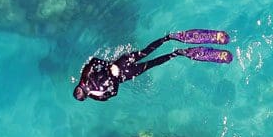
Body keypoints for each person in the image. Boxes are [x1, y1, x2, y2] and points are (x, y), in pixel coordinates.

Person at [73, 29, 233, 101]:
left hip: (119, 64)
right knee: (151, 63)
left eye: (83, 86)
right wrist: (114, 78)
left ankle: (168, 38)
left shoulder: (85, 75)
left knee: (144, 53)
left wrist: (108, 66)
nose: (86, 86)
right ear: (86, 95)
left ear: (81, 85)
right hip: (124, 75)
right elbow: (113, 93)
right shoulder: (96, 96)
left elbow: (94, 61)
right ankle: (177, 52)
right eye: (85, 89)